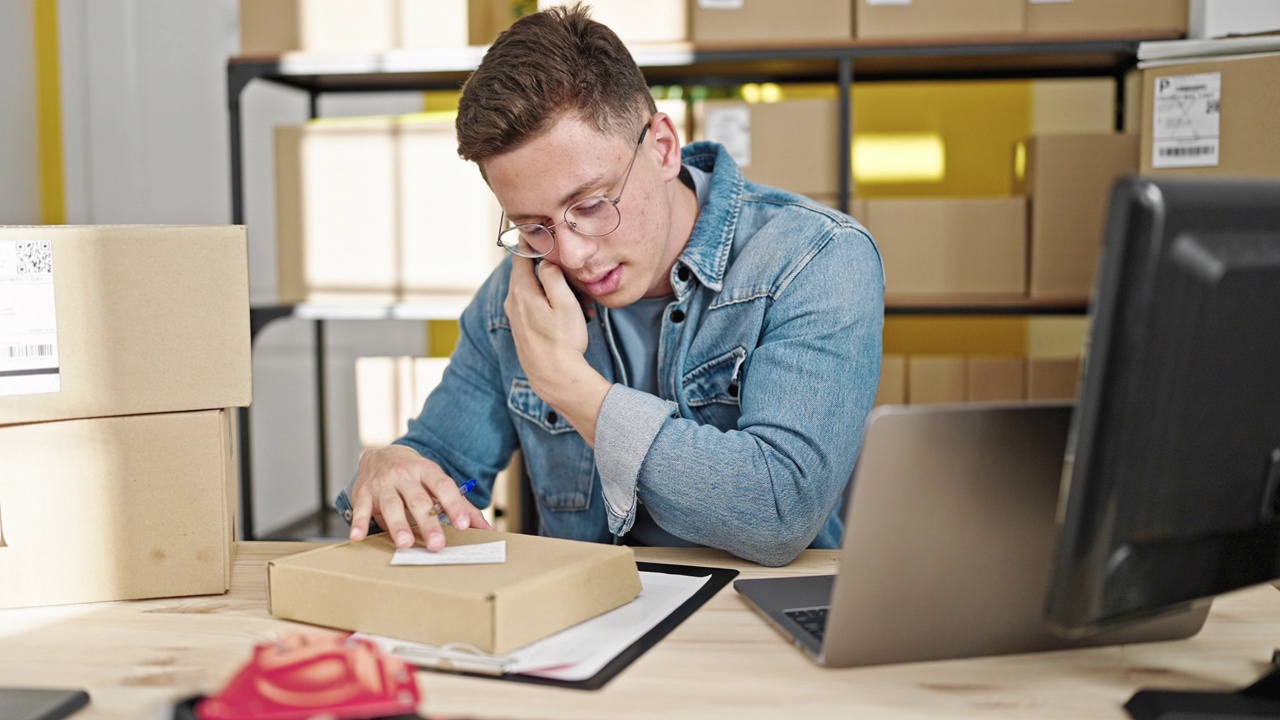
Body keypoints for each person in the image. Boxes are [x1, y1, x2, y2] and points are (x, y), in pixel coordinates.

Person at [335, 2, 884, 567]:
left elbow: (779, 512)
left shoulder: (815, 258)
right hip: (584, 622)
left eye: (591, 205)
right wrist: (392, 470)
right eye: (532, 225)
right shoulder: (515, 301)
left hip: (757, 626)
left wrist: (570, 387)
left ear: (664, 148)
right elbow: (449, 476)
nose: (571, 253)